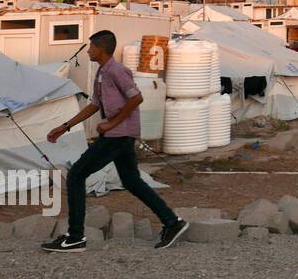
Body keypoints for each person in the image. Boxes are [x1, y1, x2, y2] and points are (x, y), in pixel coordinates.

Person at [40, 30, 188, 252]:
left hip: (118, 135)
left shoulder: (117, 71)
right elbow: (94, 105)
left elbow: (136, 97)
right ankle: (173, 223)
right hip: (119, 135)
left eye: (90, 47)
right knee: (132, 182)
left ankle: (75, 236)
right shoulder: (102, 72)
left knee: (76, 175)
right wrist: (65, 127)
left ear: (101, 48)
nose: (88, 50)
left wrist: (111, 123)